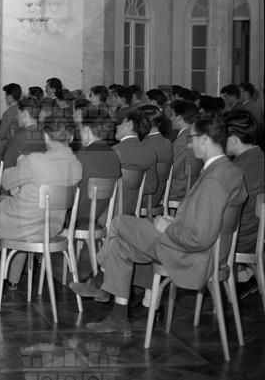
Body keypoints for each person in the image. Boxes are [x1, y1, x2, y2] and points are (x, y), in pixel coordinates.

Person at [72, 113, 247, 337]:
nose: (189, 144)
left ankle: (99, 281)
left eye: (191, 138)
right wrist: (176, 221)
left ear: (205, 139)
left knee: (118, 223)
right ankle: (118, 317)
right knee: (120, 245)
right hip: (209, 250)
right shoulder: (230, 171)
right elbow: (208, 221)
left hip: (195, 256)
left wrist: (168, 227)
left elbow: (199, 238)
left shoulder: (214, 180)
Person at [0, 119, 82, 299]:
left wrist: (20, 163)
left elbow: (6, 181)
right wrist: (24, 185)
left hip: (17, 224)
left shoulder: (34, 161)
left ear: (46, 136)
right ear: (71, 137)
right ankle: (13, 281)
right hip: (50, 227)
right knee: (30, 216)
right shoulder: (76, 165)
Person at [225, 111, 264, 298]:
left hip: (238, 238)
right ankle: (244, 276)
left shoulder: (236, 169)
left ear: (233, 140)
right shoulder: (260, 157)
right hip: (258, 236)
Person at [113, 111, 157, 214]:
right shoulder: (150, 152)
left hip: (106, 214)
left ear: (129, 125)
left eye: (120, 123)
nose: (117, 126)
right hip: (132, 210)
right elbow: (151, 187)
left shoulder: (114, 152)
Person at [169, 100, 203, 202]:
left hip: (178, 191)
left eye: (172, 115)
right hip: (192, 187)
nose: (170, 118)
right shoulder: (197, 134)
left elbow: (170, 170)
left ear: (179, 118)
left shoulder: (183, 140)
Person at [2, 97, 45, 170]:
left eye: (18, 113)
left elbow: (6, 170)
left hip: (22, 176)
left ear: (25, 113)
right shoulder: (46, 136)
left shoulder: (17, 140)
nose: (17, 117)